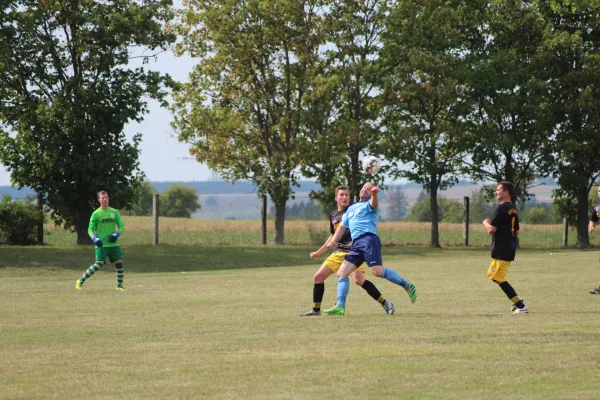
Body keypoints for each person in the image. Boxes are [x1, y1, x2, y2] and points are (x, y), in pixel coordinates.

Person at [323, 183, 417, 316]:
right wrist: (331, 243)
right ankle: (340, 306)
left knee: (377, 272)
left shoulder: (370, 205)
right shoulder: (351, 209)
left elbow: (374, 203)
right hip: (356, 244)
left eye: (368, 189)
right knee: (342, 273)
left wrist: (374, 194)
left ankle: (407, 285)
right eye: (363, 188)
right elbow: (341, 229)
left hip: (368, 240)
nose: (364, 190)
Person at [299, 186, 395, 316]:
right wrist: (319, 252)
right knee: (318, 277)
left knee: (359, 280)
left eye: (347, 195)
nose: (345, 197)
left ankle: (385, 303)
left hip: (354, 252)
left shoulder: (354, 211)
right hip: (338, 253)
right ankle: (316, 310)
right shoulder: (333, 215)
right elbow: (333, 236)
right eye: (342, 195)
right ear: (336, 198)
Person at [482, 181, 528, 314]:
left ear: (506, 191)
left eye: (498, 190)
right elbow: (517, 231)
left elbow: (491, 230)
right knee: (492, 274)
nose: (496, 192)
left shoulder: (501, 207)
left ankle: (521, 306)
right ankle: (516, 300)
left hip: (503, 248)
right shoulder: (513, 207)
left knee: (498, 277)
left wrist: (485, 222)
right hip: (507, 247)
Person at [75, 191, 126, 291]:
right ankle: (80, 280)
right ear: (99, 200)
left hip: (113, 244)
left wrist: (117, 234)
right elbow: (90, 229)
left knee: (119, 262)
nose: (105, 199)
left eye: (106, 197)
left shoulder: (114, 212)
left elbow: (121, 226)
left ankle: (119, 286)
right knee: (99, 264)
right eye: (102, 198)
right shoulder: (96, 214)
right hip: (101, 244)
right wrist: (94, 238)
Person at [588, 186, 600, 294]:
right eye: (599, 191)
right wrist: (591, 226)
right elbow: (592, 219)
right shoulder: (598, 208)